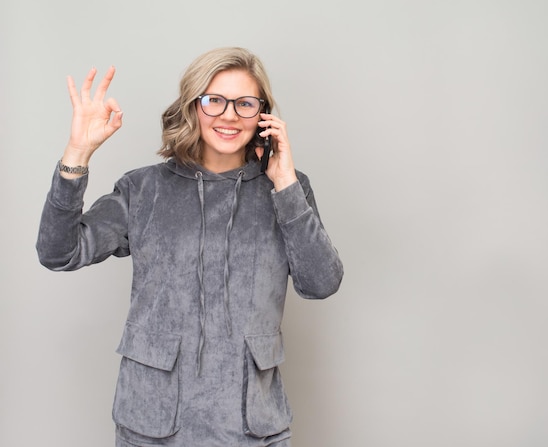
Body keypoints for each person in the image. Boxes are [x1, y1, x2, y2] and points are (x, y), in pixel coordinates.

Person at [37, 47, 343, 447]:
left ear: (264, 115)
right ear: (192, 106)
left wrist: (283, 181)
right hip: (151, 426)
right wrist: (77, 154)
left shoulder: (289, 189)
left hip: (253, 428)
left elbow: (321, 283)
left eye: (245, 103)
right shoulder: (143, 188)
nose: (229, 115)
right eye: (214, 100)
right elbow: (59, 252)